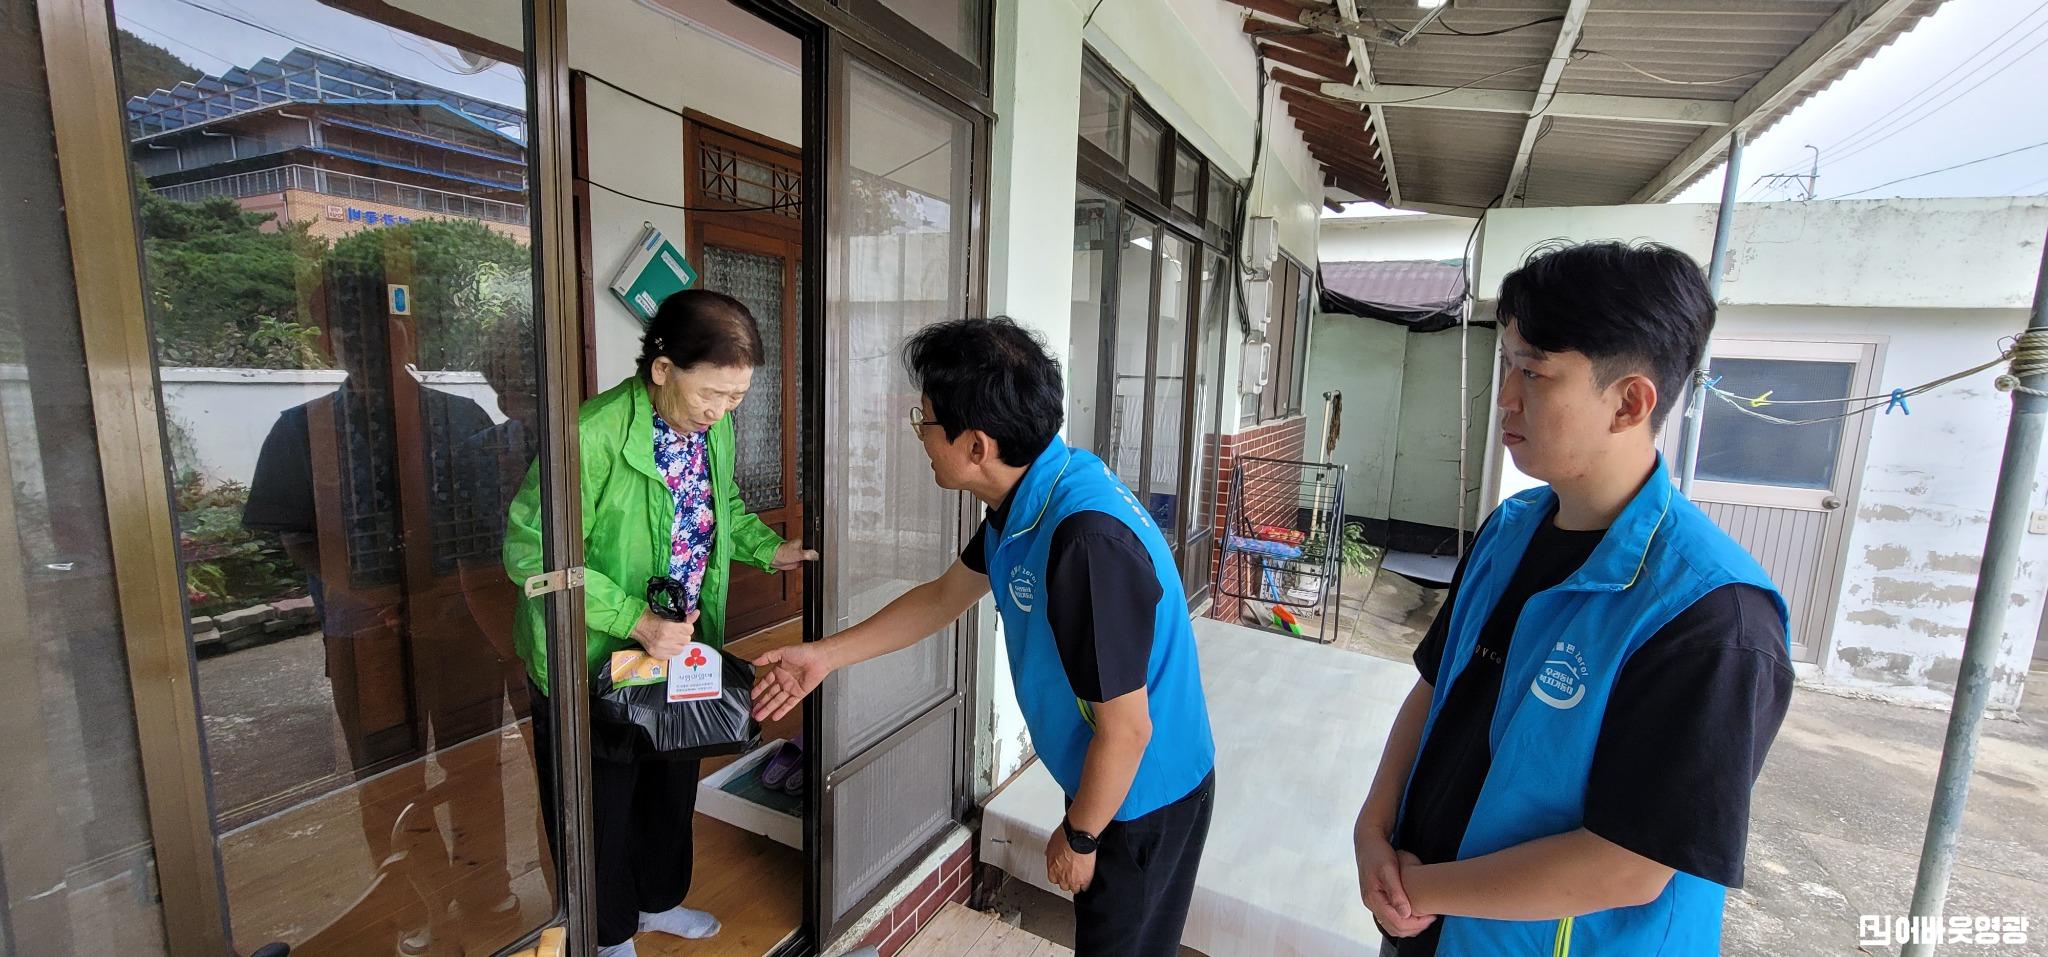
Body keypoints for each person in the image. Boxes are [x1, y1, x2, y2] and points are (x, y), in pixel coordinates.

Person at [1352, 241, 1795, 956]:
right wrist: (1373, 833)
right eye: (1506, 364)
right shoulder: (1509, 530)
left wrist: (1420, 890)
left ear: (1629, 402)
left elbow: (1629, 865)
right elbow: (1435, 689)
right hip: (1427, 925)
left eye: (1533, 372)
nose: (1505, 396)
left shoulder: (1711, 615)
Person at [751, 317, 1216, 957]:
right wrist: (823, 657)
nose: (920, 436)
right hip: (1112, 774)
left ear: (976, 445)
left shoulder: (1084, 542)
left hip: (1145, 797)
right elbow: (944, 598)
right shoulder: (1029, 496)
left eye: (925, 422)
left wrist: (1082, 834)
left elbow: (1129, 731)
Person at [503, 289, 817, 957]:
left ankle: (657, 899)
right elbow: (534, 552)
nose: (721, 410)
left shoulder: (713, 428)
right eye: (712, 393)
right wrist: (634, 619)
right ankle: (605, 930)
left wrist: (772, 550)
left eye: (736, 397)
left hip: (678, 646)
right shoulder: (589, 435)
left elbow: (721, 508)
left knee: (670, 778)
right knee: (600, 802)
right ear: (663, 368)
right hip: (593, 655)